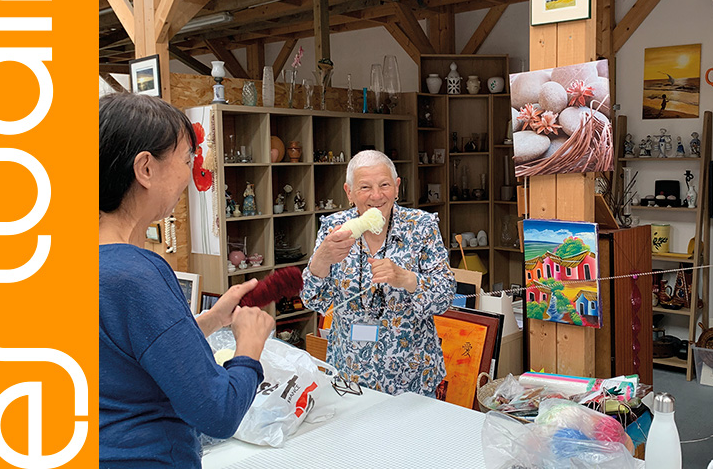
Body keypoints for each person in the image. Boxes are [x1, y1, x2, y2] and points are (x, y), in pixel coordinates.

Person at [99, 93, 275, 468]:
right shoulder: (138, 274)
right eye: (185, 160)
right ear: (145, 169)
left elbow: (123, 355)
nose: (190, 176)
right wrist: (249, 345)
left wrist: (210, 320)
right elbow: (217, 411)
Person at [301, 150, 455, 397]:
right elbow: (313, 301)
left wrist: (405, 279)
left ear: (397, 187)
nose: (376, 196)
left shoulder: (421, 226)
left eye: (384, 185)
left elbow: (445, 297)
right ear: (349, 192)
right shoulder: (334, 228)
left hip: (413, 376)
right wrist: (321, 260)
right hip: (350, 374)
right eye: (365, 187)